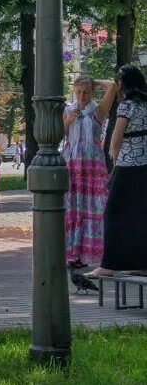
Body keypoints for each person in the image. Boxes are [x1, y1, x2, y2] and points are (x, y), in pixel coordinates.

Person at [87, 65, 147, 279]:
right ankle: (143, 264)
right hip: (145, 165)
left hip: (128, 165)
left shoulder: (127, 106)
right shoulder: (145, 104)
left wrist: (114, 158)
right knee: (140, 214)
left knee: (111, 213)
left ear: (124, 84)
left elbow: (116, 137)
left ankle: (108, 265)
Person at [62, 75, 117, 268]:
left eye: (86, 91)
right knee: (73, 207)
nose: (82, 95)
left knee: (95, 207)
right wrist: (67, 121)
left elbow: (112, 86)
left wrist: (94, 80)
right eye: (78, 92)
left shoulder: (97, 110)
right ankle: (73, 255)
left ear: (92, 91)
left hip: (93, 164)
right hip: (73, 163)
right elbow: (59, 133)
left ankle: (94, 253)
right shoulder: (68, 109)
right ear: (74, 91)